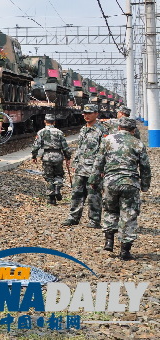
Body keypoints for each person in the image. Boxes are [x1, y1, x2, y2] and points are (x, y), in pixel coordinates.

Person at [92, 118, 151, 260]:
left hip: (110, 182)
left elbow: (99, 161)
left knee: (110, 210)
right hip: (130, 183)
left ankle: (109, 241)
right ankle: (125, 251)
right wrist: (145, 185)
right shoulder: (138, 143)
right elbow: (145, 167)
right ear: (133, 130)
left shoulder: (107, 140)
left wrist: (94, 180)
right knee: (129, 214)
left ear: (119, 127)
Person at [63, 104, 108, 227]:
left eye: (89, 113)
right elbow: (80, 148)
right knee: (76, 193)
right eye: (84, 113)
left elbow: (104, 151)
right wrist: (75, 162)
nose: (86, 116)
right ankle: (73, 217)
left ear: (96, 114)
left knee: (94, 195)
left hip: (94, 168)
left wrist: (102, 169)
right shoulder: (83, 129)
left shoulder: (102, 130)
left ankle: (94, 220)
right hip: (81, 167)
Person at [31, 114, 71, 205]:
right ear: (54, 122)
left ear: (45, 121)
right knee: (59, 175)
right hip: (58, 155)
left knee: (49, 177)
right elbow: (65, 147)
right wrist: (68, 157)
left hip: (47, 156)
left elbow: (35, 146)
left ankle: (52, 199)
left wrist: (34, 156)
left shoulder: (41, 132)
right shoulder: (59, 132)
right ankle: (57, 188)